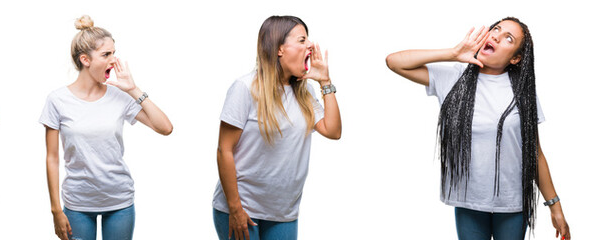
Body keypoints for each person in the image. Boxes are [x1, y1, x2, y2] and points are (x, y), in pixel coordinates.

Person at [385, 17, 570, 240]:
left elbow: (534, 153)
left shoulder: (523, 93)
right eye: (496, 29)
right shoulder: (454, 77)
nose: (495, 36)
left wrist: (555, 206)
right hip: (469, 201)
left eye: (507, 38)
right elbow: (394, 62)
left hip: (513, 203)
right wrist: (453, 53)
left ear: (515, 58)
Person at [41, 15, 173, 240]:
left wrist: (133, 89)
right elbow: (52, 158)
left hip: (119, 201)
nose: (114, 60)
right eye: (106, 54)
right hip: (78, 203)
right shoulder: (57, 100)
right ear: (85, 59)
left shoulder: (119, 96)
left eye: (114, 52)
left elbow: (165, 128)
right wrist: (55, 210)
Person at [212, 15, 342, 240]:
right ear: (280, 48)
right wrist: (235, 209)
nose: (310, 44)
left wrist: (324, 82)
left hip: (283, 211)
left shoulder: (305, 93)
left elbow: (333, 131)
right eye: (302, 40)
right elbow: (225, 150)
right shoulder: (245, 88)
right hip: (243, 207)